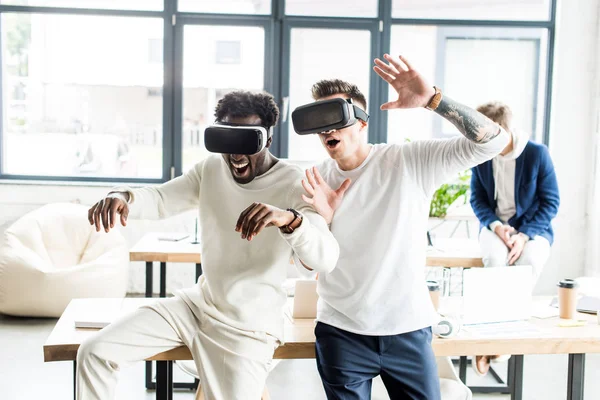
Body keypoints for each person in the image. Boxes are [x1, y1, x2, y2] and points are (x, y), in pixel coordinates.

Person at [79, 91, 339, 400]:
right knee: (93, 353)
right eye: (227, 141)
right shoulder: (210, 169)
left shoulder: (294, 183)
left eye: (246, 142)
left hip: (247, 327)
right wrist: (123, 196)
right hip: (196, 305)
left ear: (267, 139)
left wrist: (290, 220)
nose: (236, 155)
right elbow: (162, 199)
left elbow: (327, 258)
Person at [297, 54, 510, 399]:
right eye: (320, 121)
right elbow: (307, 266)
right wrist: (323, 220)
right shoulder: (314, 180)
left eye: (336, 117)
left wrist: (434, 101)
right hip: (341, 330)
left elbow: (495, 141)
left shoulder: (409, 162)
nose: (328, 129)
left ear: (363, 123)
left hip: (407, 328)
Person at [469, 101, 559, 376]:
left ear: (502, 130)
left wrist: (525, 235)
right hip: (496, 228)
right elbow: (477, 199)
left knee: (527, 262)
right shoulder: (482, 155)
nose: (479, 138)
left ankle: (496, 344)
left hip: (533, 229)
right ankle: (495, 343)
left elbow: (551, 203)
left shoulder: (536, 154)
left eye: (485, 132)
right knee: (495, 260)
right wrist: (496, 226)